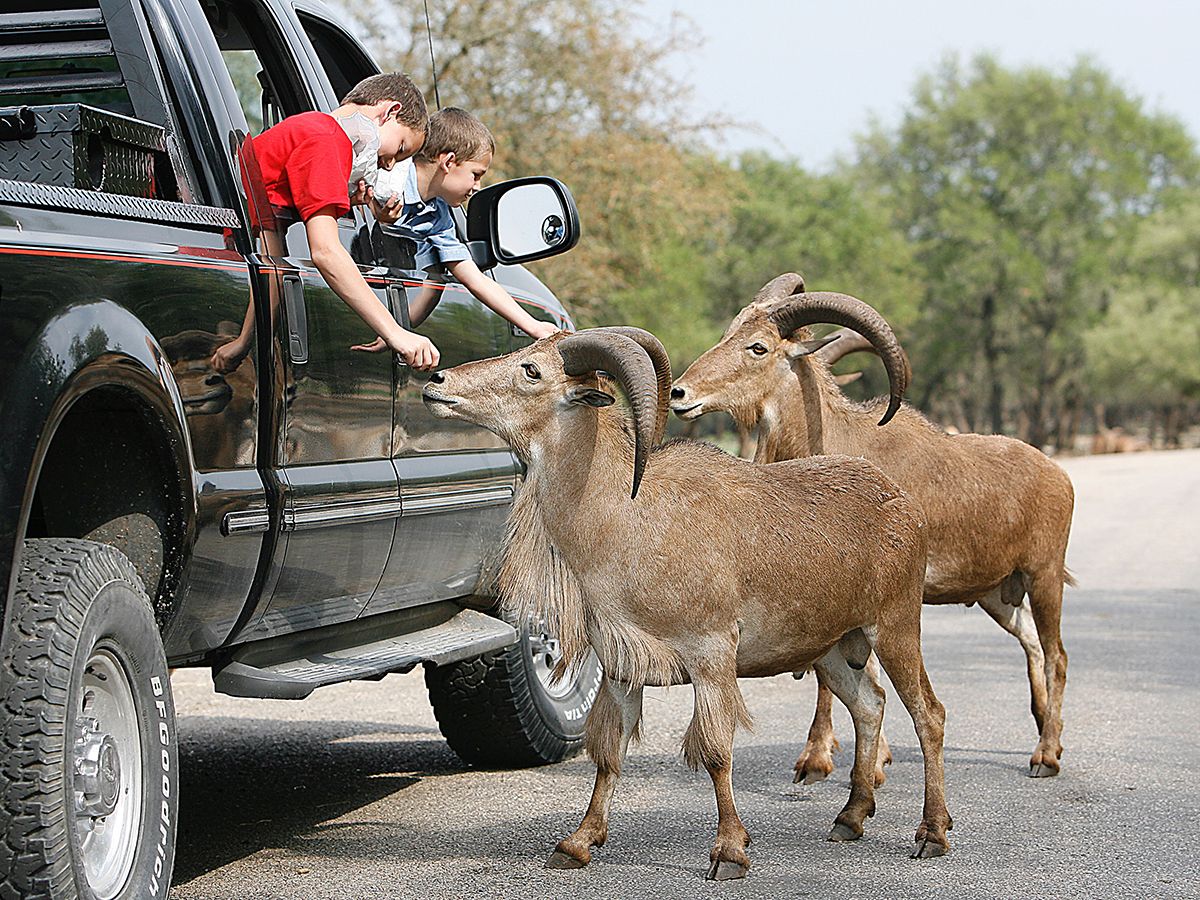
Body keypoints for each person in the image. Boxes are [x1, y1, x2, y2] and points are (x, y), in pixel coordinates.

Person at [212, 73, 440, 373]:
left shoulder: (313, 131)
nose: (387, 165)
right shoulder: (326, 138)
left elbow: (272, 258)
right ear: (389, 112)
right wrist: (396, 333)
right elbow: (325, 252)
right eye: (400, 150)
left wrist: (243, 343)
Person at [364, 107, 559, 342]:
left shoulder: (437, 216)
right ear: (448, 162)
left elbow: (470, 279)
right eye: (476, 175)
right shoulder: (382, 175)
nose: (477, 187)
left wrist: (534, 326)